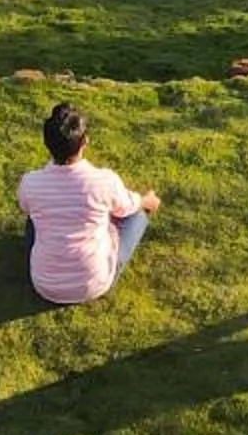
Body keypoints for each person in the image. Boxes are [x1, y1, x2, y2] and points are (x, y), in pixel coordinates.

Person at [16, 102, 160, 306]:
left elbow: (25, 208)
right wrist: (148, 201)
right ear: (84, 142)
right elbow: (128, 207)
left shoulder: (30, 183)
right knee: (137, 215)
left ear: (47, 143)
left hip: (44, 284)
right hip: (93, 283)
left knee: (33, 217)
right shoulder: (104, 180)